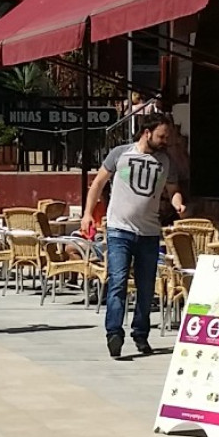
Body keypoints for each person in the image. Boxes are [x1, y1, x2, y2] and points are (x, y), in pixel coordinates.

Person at [83, 114, 185, 359]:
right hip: (119, 230)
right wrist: (87, 213)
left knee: (146, 288)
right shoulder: (120, 154)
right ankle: (114, 333)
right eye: (161, 136)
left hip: (149, 233)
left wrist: (179, 203)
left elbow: (173, 191)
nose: (165, 141)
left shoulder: (166, 161)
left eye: (167, 137)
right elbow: (97, 183)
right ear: (146, 132)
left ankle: (140, 334)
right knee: (117, 281)